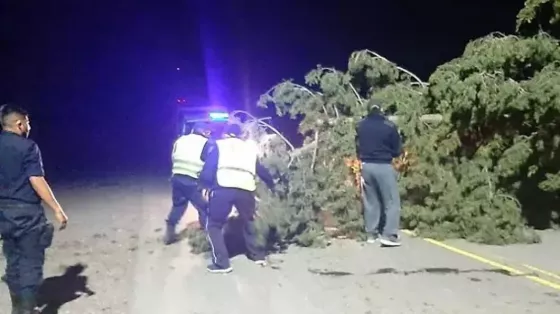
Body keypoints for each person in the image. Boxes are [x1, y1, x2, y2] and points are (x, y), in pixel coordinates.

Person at [0, 104, 69, 314]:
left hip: (3, 214)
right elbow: (36, 180)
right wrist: (56, 208)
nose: (29, 126)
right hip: (27, 214)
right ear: (19, 124)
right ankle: (28, 310)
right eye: (28, 122)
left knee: (13, 261)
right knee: (30, 262)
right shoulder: (28, 147)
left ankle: (17, 308)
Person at [198, 123, 275, 273]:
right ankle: (258, 256)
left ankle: (222, 263)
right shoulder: (249, 149)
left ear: (226, 134)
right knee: (249, 221)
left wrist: (203, 186)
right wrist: (272, 184)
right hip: (246, 189)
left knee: (214, 225)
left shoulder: (220, 145)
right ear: (241, 135)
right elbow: (260, 169)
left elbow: (209, 168)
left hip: (223, 188)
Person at [355, 101, 403, 247]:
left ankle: (371, 234)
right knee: (392, 201)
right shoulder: (389, 126)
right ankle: (389, 235)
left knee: (371, 201)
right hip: (383, 166)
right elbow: (397, 150)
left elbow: (357, 145)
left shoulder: (360, 125)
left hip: (366, 166)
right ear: (382, 110)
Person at [164, 122, 213, 245]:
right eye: (208, 132)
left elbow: (173, 157)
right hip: (192, 180)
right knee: (204, 207)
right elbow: (208, 164)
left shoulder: (180, 140)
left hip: (177, 178)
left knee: (178, 205)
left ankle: (169, 234)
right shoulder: (206, 143)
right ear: (204, 132)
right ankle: (206, 235)